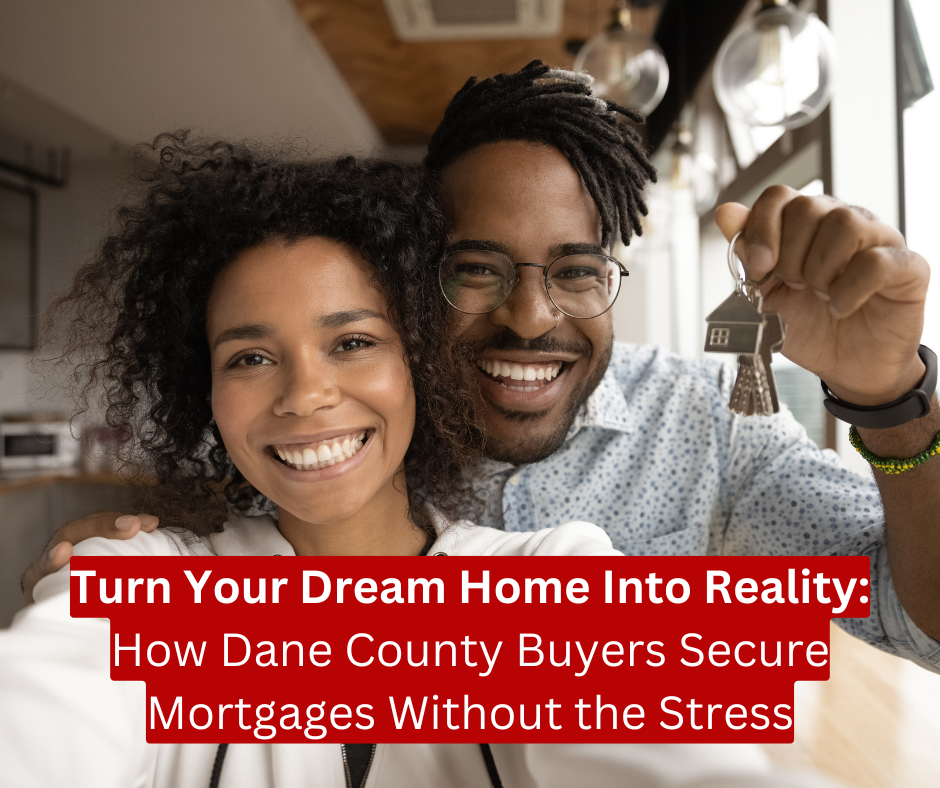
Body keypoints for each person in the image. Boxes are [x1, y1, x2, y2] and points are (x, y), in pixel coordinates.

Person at [34, 62, 938, 671]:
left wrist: (891, 400)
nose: (531, 317)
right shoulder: (339, 434)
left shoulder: (710, 419)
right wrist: (141, 578)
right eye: (477, 268)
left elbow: (916, 624)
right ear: (415, 269)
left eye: (577, 271)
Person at [1, 136, 837, 788]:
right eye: (250, 358)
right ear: (205, 394)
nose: (306, 395)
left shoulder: (550, 577)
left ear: (420, 364)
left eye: (353, 342)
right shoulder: (141, 582)